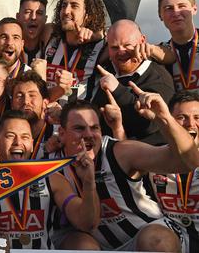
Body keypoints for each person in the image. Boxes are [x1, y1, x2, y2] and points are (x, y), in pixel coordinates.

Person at [55, 93, 197, 251]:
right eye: (79, 128)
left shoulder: (119, 152)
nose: (88, 135)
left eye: (95, 128)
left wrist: (164, 118)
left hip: (144, 233)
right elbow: (88, 223)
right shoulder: (55, 168)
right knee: (80, 245)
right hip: (98, 243)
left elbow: (188, 162)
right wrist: (89, 182)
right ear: (61, 133)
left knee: (156, 241)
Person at [0, 110, 99, 250]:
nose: (18, 142)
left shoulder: (52, 179)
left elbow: (86, 223)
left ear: (31, 143)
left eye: (24, 137)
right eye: (10, 136)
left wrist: (88, 183)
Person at [92, 19, 174, 144]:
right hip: (102, 157)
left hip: (146, 157)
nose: (121, 51)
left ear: (142, 41)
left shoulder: (158, 77)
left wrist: (117, 90)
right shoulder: (104, 70)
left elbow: (150, 126)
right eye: (114, 47)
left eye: (127, 45)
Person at [150, 91, 199, 253]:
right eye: (181, 117)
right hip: (173, 235)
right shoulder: (153, 156)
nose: (190, 124)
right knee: (154, 238)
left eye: (197, 118)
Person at [43, 0, 106, 102]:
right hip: (46, 114)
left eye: (74, 6)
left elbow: (118, 36)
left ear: (88, 16)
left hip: (79, 117)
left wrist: (96, 34)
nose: (66, 11)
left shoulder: (100, 46)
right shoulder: (50, 35)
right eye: (63, 6)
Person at [159, 0, 199, 93]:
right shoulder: (158, 56)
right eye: (168, 8)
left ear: (194, 9)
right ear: (160, 15)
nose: (176, 13)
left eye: (182, 6)